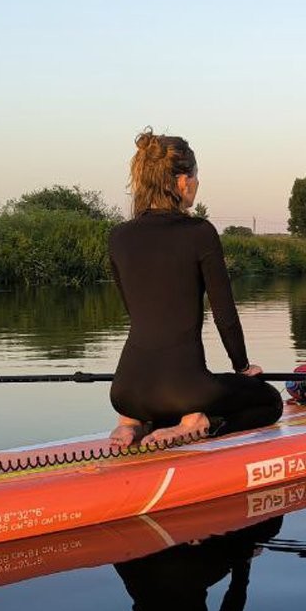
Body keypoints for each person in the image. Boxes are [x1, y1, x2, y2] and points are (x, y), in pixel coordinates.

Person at [108, 129, 283, 448]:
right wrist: (243, 367)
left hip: (125, 391)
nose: (197, 183)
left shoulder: (118, 236)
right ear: (181, 181)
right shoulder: (199, 232)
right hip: (182, 390)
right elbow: (225, 315)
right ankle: (196, 423)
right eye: (196, 176)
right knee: (270, 401)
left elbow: (137, 313)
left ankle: (132, 424)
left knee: (171, 394)